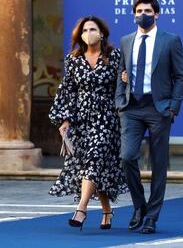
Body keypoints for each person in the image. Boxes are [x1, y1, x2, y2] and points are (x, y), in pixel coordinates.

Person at [115, 0, 183, 234]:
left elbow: (180, 76)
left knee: (158, 164)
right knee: (127, 157)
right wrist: (120, 102)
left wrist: (172, 107)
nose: (142, 14)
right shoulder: (126, 41)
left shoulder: (170, 40)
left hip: (159, 109)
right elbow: (121, 74)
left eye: (147, 10)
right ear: (133, 14)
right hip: (132, 108)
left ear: (156, 14)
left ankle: (152, 217)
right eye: (138, 10)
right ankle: (139, 206)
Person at [49, 16, 128, 230]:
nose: (88, 33)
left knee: (95, 158)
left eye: (92, 29)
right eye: (84, 30)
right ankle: (106, 210)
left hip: (107, 119)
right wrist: (64, 120)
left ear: (102, 33)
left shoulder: (114, 56)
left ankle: (81, 209)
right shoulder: (73, 59)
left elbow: (123, 86)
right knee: (94, 166)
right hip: (82, 119)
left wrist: (125, 80)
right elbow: (67, 91)